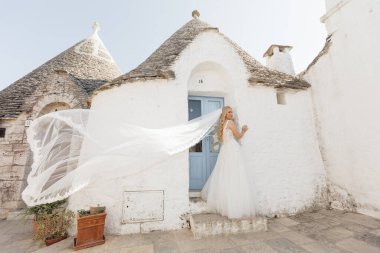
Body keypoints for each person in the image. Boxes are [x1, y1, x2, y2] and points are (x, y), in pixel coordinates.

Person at [201, 106, 256, 218]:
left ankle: (226, 204)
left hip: (225, 150)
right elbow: (238, 136)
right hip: (232, 149)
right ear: (225, 114)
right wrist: (244, 131)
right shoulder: (230, 123)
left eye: (232, 112)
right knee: (235, 174)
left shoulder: (223, 124)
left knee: (226, 175)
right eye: (229, 112)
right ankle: (233, 204)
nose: (231, 114)